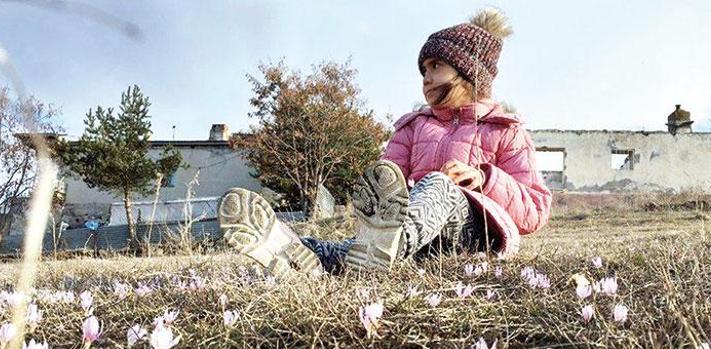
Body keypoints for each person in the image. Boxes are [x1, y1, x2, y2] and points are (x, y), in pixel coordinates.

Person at [217, 8, 552, 279]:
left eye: (436, 66)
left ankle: (373, 250)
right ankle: (294, 248)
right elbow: (385, 184)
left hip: (472, 237)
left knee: (437, 184)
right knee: (370, 235)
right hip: (420, 237)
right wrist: (387, 190)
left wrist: (486, 178)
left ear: (469, 72)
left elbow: (535, 211)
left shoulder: (505, 130)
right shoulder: (413, 126)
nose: (426, 76)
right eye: (423, 68)